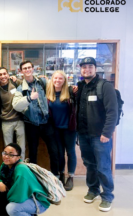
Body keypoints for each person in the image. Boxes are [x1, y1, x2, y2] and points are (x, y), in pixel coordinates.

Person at [76, 57, 118, 212]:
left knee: (103, 166)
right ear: (80, 70)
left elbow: (112, 112)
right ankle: (93, 190)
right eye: (84, 67)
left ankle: (107, 196)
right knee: (90, 165)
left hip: (100, 136)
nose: (87, 69)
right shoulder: (81, 87)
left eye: (90, 67)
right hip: (84, 135)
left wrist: (107, 132)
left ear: (95, 68)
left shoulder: (104, 86)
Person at [12, 60, 60, 178]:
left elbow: (58, 85)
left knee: (53, 150)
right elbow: (16, 105)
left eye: (29, 67)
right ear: (21, 71)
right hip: (31, 124)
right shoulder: (20, 89)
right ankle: (34, 177)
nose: (27, 70)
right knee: (32, 152)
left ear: (33, 68)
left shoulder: (43, 82)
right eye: (25, 68)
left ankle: (56, 176)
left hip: (46, 122)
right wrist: (29, 98)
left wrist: (71, 88)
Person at [0, 143, 50, 216]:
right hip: (23, 195)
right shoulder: (5, 165)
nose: (6, 156)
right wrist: (0, 183)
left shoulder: (21, 170)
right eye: (4, 153)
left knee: (12, 209)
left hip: (38, 201)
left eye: (11, 155)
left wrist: (1, 201)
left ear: (18, 157)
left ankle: (30, 213)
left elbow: (19, 197)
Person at [46, 70, 77, 191]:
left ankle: (71, 176)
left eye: (60, 78)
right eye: (55, 78)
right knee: (59, 152)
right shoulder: (49, 94)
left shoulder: (70, 93)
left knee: (70, 152)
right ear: (52, 80)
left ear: (64, 80)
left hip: (69, 128)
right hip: (56, 129)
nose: (57, 81)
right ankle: (61, 173)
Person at [0, 67, 25, 160]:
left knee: (21, 148)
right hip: (6, 121)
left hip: (19, 120)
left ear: (8, 75)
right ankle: (10, 169)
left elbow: (26, 83)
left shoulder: (16, 83)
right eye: (0, 74)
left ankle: (20, 169)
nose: (3, 76)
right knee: (8, 149)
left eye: (4, 73)